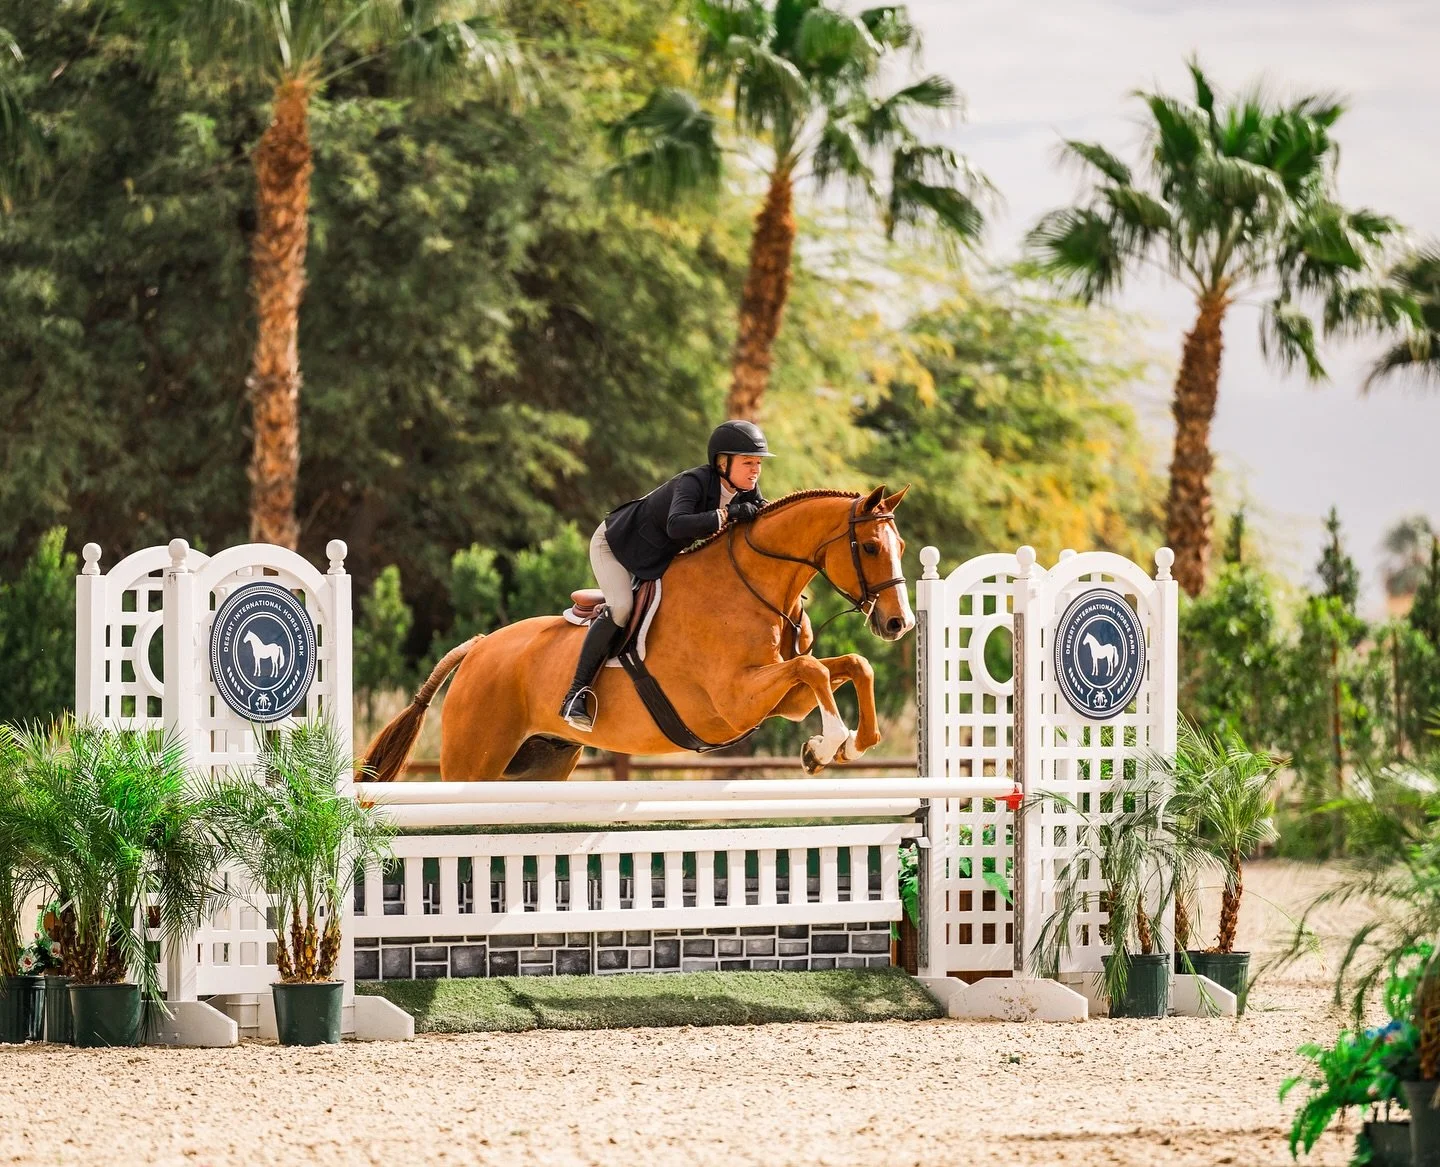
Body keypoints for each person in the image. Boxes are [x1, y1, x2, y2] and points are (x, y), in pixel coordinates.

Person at [559, 420, 772, 731]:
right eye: (747, 462)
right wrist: (726, 515)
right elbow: (677, 524)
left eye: (758, 463)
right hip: (617, 545)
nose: (755, 470)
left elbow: (760, 517)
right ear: (722, 463)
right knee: (621, 606)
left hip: (659, 556)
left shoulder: (746, 490)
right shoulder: (694, 483)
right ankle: (575, 694)